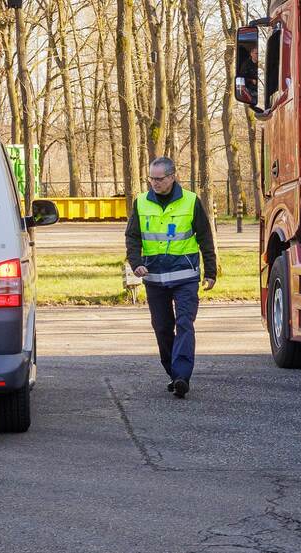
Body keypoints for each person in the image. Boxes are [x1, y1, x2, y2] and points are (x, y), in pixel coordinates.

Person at [125, 157, 217, 399]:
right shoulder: (141, 203)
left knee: (184, 323)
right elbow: (132, 237)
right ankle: (173, 373)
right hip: (154, 278)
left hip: (185, 277)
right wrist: (136, 264)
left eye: (159, 179)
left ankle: (182, 376)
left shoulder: (190, 201)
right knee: (162, 328)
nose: (154, 183)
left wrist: (211, 271)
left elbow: (205, 238)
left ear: (172, 176)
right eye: (151, 179)